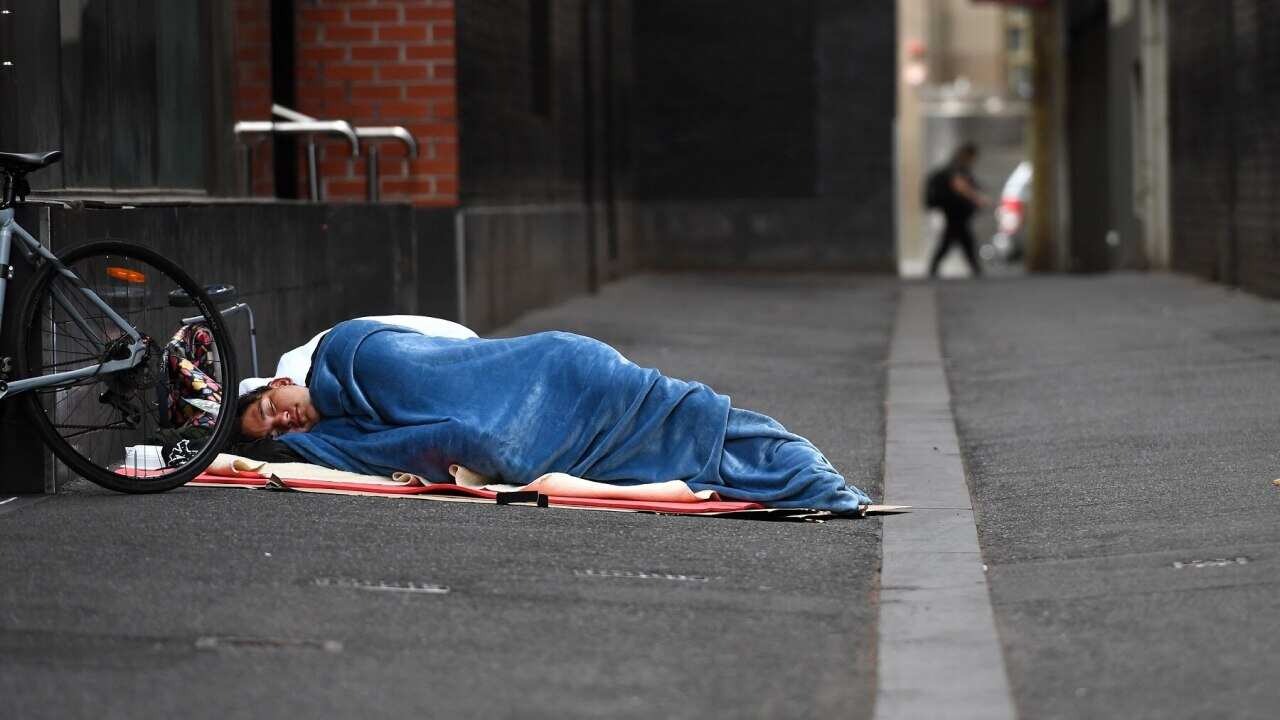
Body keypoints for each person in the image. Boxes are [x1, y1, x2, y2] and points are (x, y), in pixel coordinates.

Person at [234, 319, 873, 514]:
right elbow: (434, 433)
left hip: (556, 374)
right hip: (555, 398)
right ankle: (806, 475)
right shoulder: (346, 427)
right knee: (672, 443)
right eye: (275, 431)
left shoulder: (354, 352)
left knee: (680, 414)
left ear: (279, 383)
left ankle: (804, 473)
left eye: (268, 409)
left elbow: (458, 397)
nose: (282, 422)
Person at [926, 142, 991, 278]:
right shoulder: (955, 169)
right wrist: (977, 198)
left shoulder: (957, 168)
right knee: (959, 239)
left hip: (956, 211)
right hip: (955, 210)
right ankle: (975, 269)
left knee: (955, 239)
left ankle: (935, 269)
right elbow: (960, 186)